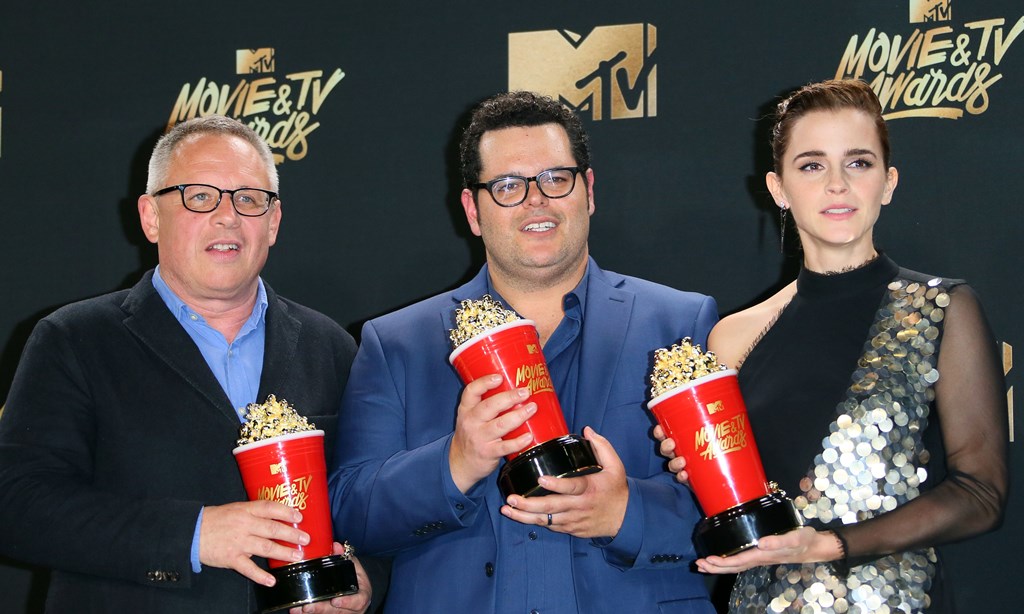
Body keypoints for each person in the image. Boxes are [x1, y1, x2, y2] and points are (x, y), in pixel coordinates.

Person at [327, 90, 718, 613]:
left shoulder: (678, 324)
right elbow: (351, 513)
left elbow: (736, 506)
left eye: (556, 178)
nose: (537, 200)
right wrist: (455, 463)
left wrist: (626, 511)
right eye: (508, 185)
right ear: (473, 210)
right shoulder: (395, 342)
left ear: (588, 191)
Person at [656, 79, 1008, 612]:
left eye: (859, 163)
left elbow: (981, 494)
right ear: (778, 188)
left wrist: (827, 546)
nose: (837, 184)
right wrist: (699, 466)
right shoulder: (732, 336)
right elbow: (734, 502)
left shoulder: (940, 308)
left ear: (888, 183)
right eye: (812, 165)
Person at [0, 115, 376, 613]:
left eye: (249, 199)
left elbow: (370, 500)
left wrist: (363, 578)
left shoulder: (331, 347)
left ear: (273, 222)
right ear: (150, 216)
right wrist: (194, 534)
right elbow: (17, 504)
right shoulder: (73, 340)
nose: (227, 217)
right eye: (199, 196)